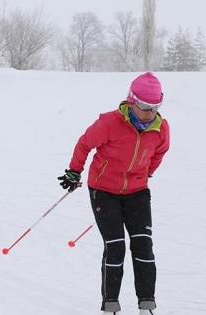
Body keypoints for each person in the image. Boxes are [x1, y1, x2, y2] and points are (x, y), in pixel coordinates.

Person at [57, 72, 170, 315]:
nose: (149, 113)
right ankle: (110, 306)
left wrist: (145, 174)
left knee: (143, 246)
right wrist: (74, 172)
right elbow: (84, 144)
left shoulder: (161, 129)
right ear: (131, 101)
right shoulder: (110, 123)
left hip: (137, 191)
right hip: (104, 190)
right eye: (144, 106)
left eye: (155, 107)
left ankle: (146, 305)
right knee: (116, 245)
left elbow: (159, 153)